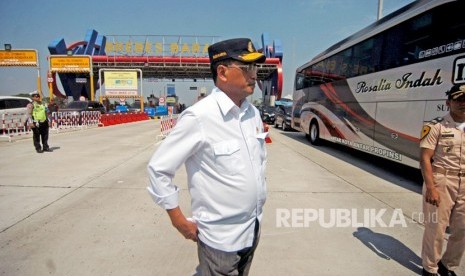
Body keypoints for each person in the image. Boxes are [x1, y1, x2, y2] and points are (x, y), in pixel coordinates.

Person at [147, 38, 268, 275]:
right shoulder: (199, 117)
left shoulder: (252, 113)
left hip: (251, 229)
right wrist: (178, 219)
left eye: (256, 68)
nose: (254, 75)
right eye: (247, 68)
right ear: (222, 72)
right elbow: (158, 169)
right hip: (219, 240)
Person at [420, 84, 465, 276]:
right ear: (448, 103)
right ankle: (430, 268)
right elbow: (424, 158)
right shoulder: (435, 126)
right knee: (436, 228)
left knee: (462, 229)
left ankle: (448, 265)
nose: (463, 103)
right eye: (459, 99)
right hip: (442, 181)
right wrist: (431, 188)